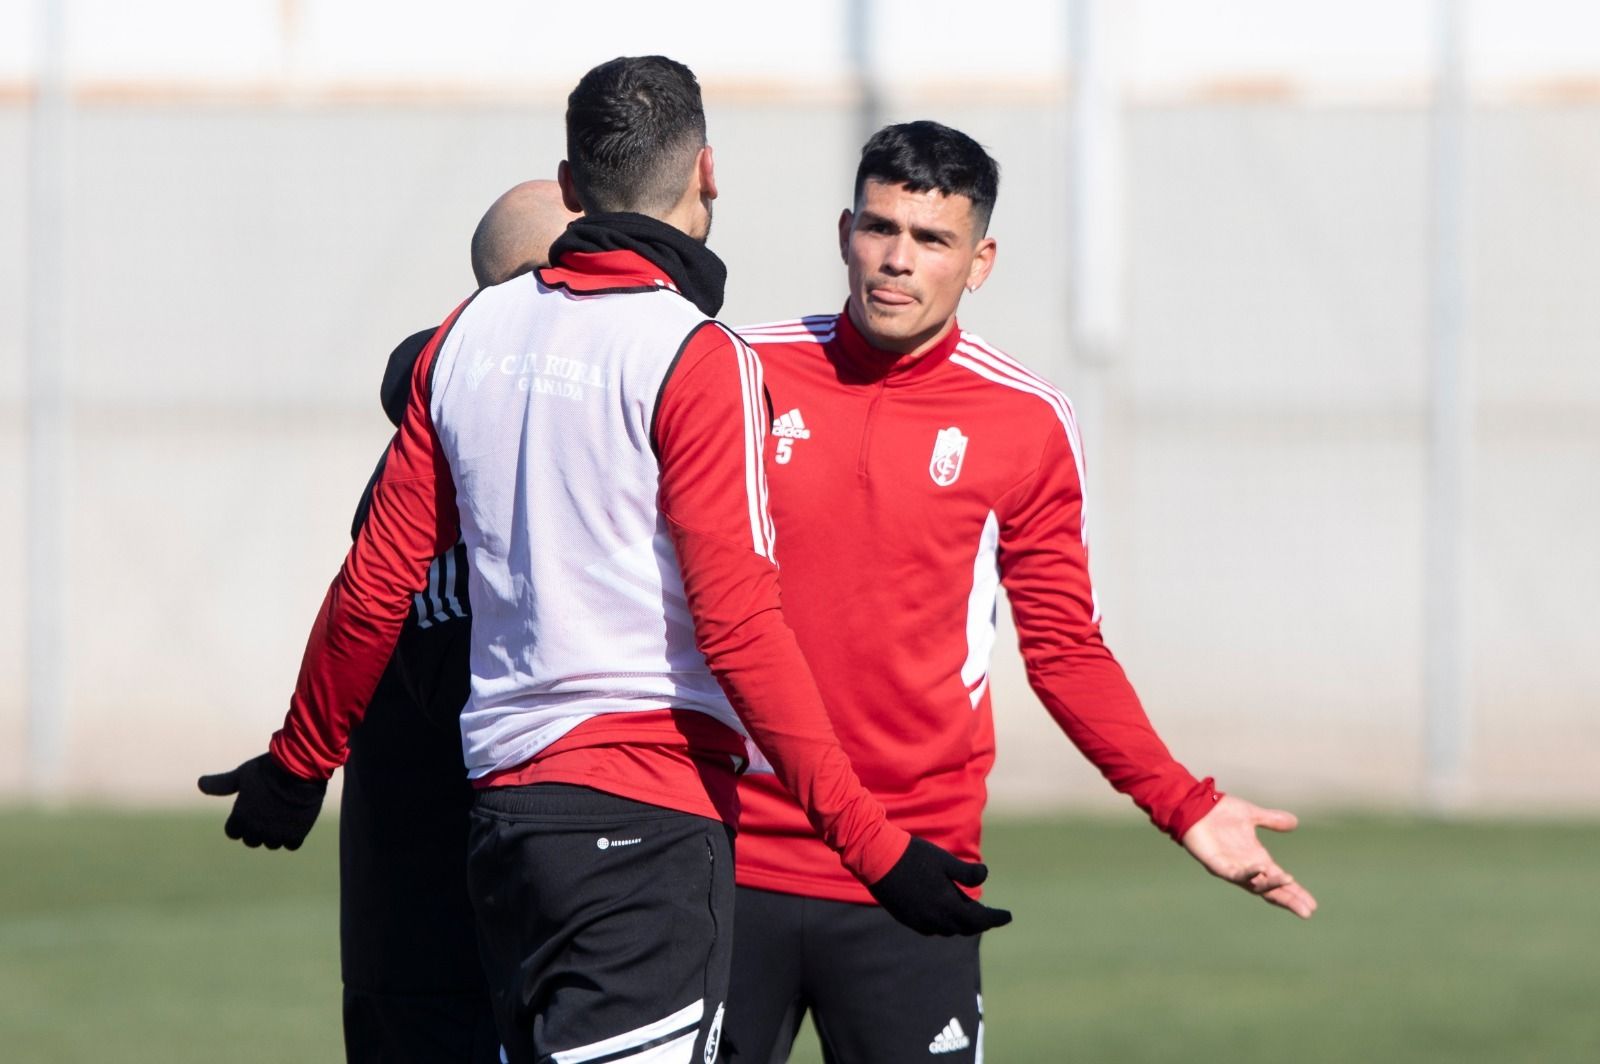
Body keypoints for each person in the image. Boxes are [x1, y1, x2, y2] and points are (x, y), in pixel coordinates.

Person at [199, 59, 1006, 1064]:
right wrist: (873, 845)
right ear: (707, 170)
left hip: (503, 824)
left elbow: (373, 585)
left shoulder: (467, 335)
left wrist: (299, 760)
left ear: (572, 185)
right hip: (645, 832)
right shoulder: (696, 355)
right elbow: (741, 626)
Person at [719, 120, 1318, 1064]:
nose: (897, 262)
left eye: (932, 240)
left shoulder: (1026, 420)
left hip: (913, 874)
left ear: (980, 259)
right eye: (880, 229)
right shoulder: (735, 370)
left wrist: (1184, 803)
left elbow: (1065, 648)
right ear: (844, 231)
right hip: (724, 860)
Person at [329, 179, 578, 1064]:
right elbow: (449, 677)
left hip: (521, 914)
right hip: (439, 938)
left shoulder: (546, 436)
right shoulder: (446, 454)